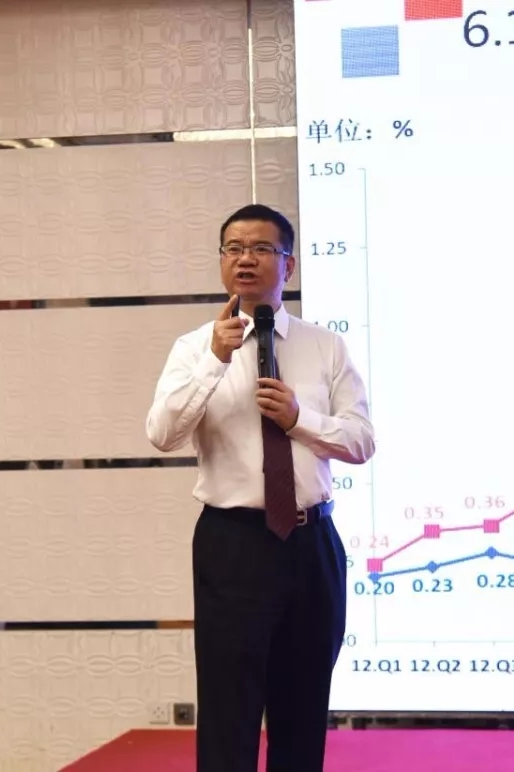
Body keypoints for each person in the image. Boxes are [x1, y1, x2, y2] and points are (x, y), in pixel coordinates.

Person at [145, 204, 376, 771]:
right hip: (233, 544)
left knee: (303, 707)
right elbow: (163, 434)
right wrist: (215, 362)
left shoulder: (326, 346)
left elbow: (361, 441)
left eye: (260, 248)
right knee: (229, 708)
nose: (244, 259)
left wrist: (301, 420)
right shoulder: (194, 348)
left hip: (310, 544)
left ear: (288, 265)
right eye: (233, 248)